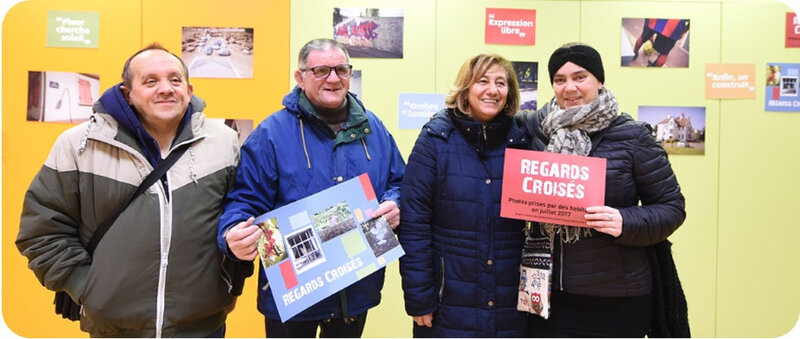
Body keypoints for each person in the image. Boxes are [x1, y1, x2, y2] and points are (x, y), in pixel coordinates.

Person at [16, 42, 252, 337]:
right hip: (115, 328)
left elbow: (241, 214)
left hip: (203, 326)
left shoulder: (224, 142)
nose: (166, 88)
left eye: (175, 80)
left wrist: (232, 282)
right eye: (151, 81)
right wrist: (86, 287)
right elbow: (41, 229)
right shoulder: (79, 145)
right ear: (128, 94)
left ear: (189, 91)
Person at [217, 38, 405, 338]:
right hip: (293, 295)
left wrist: (395, 203)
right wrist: (231, 234)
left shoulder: (374, 129)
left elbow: (398, 183)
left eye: (341, 70)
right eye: (320, 70)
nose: (333, 78)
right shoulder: (271, 134)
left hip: (355, 288)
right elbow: (244, 200)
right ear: (300, 77)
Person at [517, 42, 687, 337]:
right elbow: (486, 122)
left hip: (616, 298)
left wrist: (626, 221)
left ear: (599, 81)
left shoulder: (633, 136)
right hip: (549, 295)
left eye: (580, 77)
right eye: (560, 79)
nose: (569, 87)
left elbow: (672, 207)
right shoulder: (537, 131)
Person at [397, 53, 531, 338]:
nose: (492, 90)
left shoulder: (525, 141)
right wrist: (419, 299)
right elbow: (414, 225)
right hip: (448, 302)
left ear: (509, 93)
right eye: (483, 81)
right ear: (466, 88)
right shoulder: (435, 139)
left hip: (512, 305)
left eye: (501, 83)